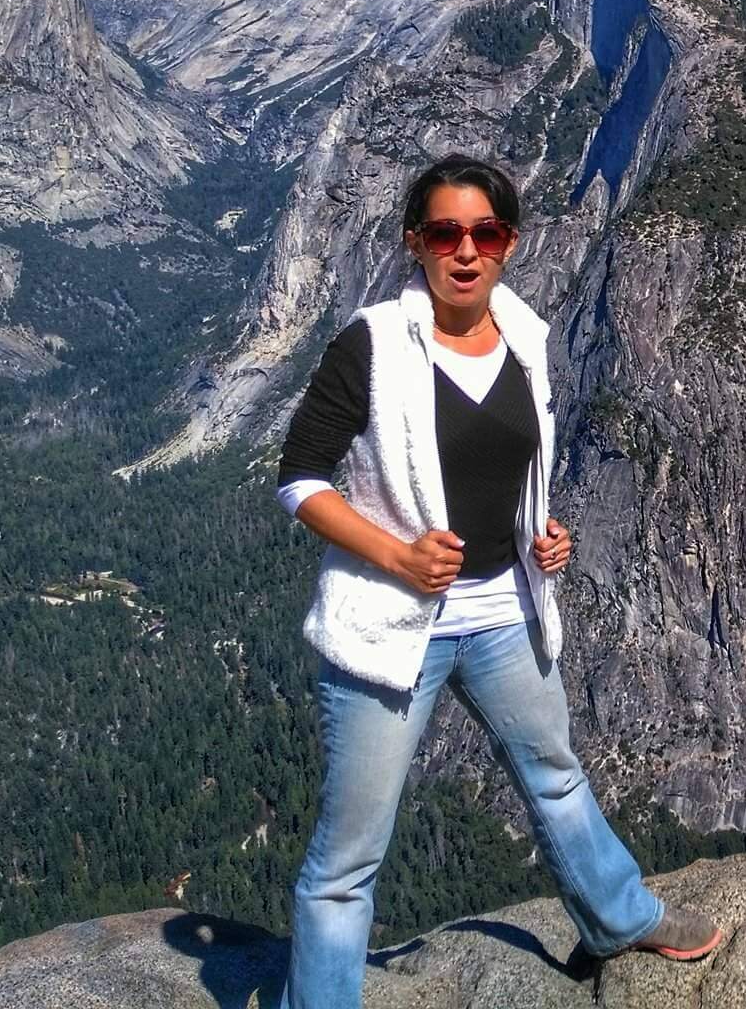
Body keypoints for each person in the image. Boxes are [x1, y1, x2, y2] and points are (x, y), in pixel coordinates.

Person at [272, 152, 721, 1008]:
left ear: (510, 244)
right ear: (415, 243)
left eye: (486, 231)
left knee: (554, 775)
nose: (466, 249)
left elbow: (518, 468)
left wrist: (542, 535)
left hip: (504, 613)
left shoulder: (526, 338)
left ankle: (620, 919)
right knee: (347, 861)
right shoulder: (371, 344)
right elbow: (299, 477)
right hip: (390, 628)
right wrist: (397, 556)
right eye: (445, 232)